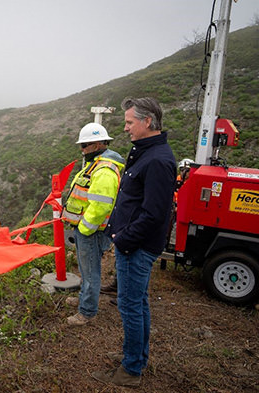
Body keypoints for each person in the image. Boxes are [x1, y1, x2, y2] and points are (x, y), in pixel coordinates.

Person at [94, 97, 176, 387]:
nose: (126, 128)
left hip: (136, 246)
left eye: (130, 122)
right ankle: (136, 359)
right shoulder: (147, 153)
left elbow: (154, 213)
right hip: (134, 243)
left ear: (147, 122)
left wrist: (124, 238)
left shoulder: (157, 160)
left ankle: (130, 370)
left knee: (129, 305)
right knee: (137, 303)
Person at [61, 122, 124, 326]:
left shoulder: (104, 170)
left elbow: (101, 206)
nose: (81, 150)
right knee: (86, 270)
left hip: (91, 231)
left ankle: (87, 311)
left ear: (97, 144)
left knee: (90, 273)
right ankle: (83, 300)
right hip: (86, 229)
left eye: (84, 146)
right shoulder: (96, 164)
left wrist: (85, 228)